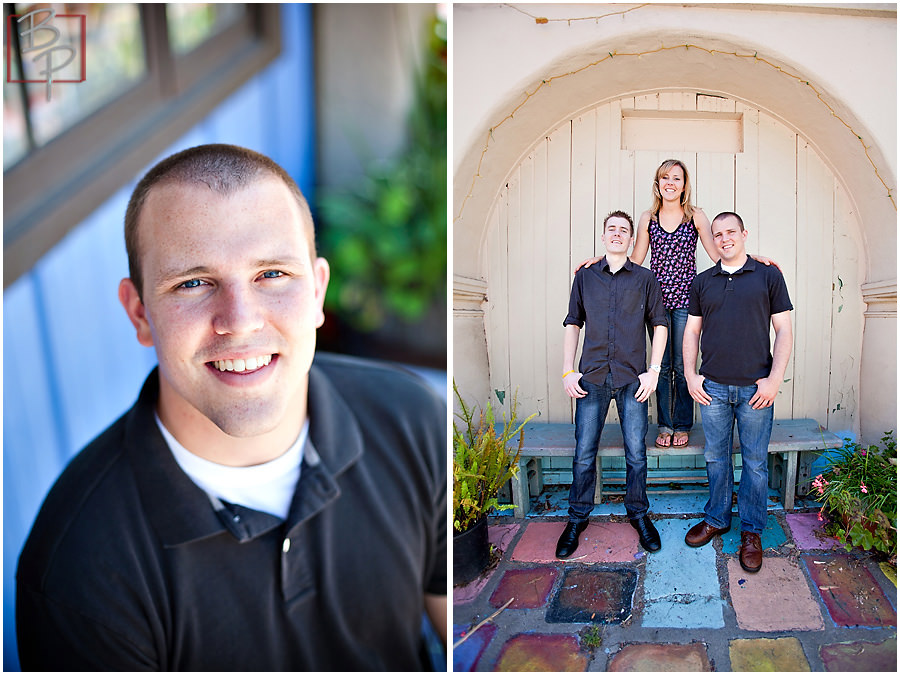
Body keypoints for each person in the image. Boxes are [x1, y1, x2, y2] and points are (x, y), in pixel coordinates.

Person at [15, 144, 447, 670]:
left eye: (271, 275)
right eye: (193, 283)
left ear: (317, 291)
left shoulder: (413, 419)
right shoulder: (78, 562)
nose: (239, 321)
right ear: (140, 312)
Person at [578, 159, 777, 450]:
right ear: (658, 184)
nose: (670, 183)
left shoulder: (695, 216)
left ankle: (682, 424)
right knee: (662, 365)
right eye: (665, 178)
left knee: (684, 366)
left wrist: (752, 257)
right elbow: (634, 259)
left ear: (685, 184)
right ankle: (665, 424)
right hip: (655, 302)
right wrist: (602, 259)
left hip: (687, 300)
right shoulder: (648, 217)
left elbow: (716, 252)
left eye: (677, 178)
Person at [682, 212, 793, 573]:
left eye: (731, 231)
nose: (724, 238)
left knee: (755, 463)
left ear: (744, 233)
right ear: (711, 240)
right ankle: (717, 518)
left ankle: (751, 531)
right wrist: (689, 375)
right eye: (717, 234)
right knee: (716, 457)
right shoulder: (702, 283)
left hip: (755, 389)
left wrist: (774, 379)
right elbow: (692, 332)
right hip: (711, 388)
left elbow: (784, 331)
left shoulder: (768, 275)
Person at [557, 210, 668, 558]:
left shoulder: (645, 279)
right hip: (591, 379)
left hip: (632, 379)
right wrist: (567, 370)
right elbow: (573, 323)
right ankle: (577, 517)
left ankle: (638, 513)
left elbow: (660, 324)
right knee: (584, 453)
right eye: (612, 229)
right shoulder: (586, 277)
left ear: (632, 240)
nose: (617, 234)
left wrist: (654, 370)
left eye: (624, 230)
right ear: (603, 237)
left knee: (637, 452)